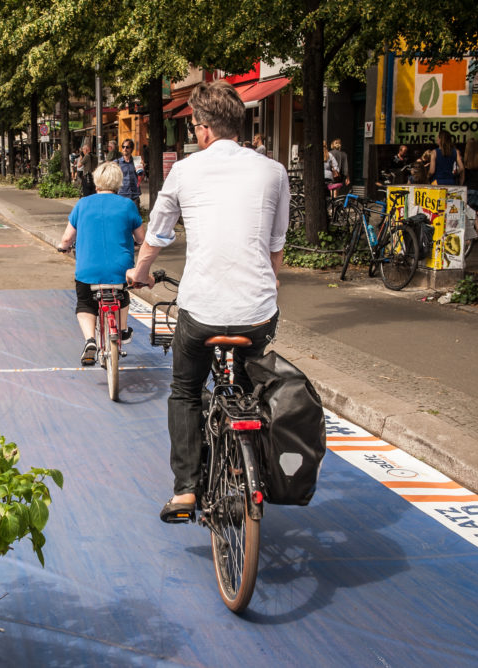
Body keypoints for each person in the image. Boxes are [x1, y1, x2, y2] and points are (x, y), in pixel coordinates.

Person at [125, 80, 288, 523]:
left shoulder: (185, 171)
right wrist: (267, 287)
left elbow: (158, 233)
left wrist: (139, 274)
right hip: (258, 312)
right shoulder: (274, 172)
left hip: (202, 312)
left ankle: (186, 491)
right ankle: (254, 458)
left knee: (185, 391)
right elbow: (276, 247)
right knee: (253, 382)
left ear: (203, 130)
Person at [57, 161, 144, 365]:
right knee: (122, 295)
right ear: (119, 184)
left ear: (96, 182)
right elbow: (141, 238)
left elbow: (68, 238)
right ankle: (121, 330)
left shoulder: (82, 204)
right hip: (120, 269)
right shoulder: (128, 205)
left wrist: (63, 246)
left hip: (88, 270)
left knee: (86, 302)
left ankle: (90, 340)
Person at [462, 137, 478, 234]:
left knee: (470, 209)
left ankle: (476, 229)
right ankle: (477, 228)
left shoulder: (465, 160)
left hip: (469, 187)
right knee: (476, 209)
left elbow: (463, 176)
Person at [114, 139, 142, 210]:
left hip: (134, 196)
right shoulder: (116, 163)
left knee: (135, 219)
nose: (125, 149)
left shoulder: (137, 162)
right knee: (122, 219)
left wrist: (141, 168)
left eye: (127, 147)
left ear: (132, 149)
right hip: (121, 196)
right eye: (123, 147)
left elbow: (141, 177)